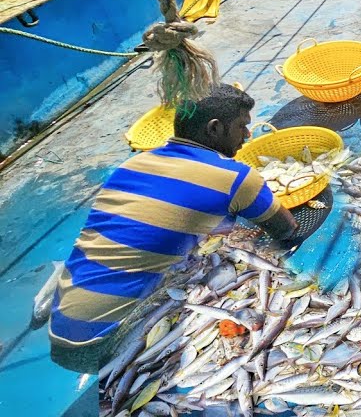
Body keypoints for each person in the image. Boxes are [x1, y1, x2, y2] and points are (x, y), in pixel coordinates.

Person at [48, 84, 306, 373]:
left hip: (60, 330)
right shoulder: (237, 178)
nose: (247, 136)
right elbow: (286, 230)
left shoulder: (133, 164)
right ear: (215, 128)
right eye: (242, 127)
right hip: (104, 345)